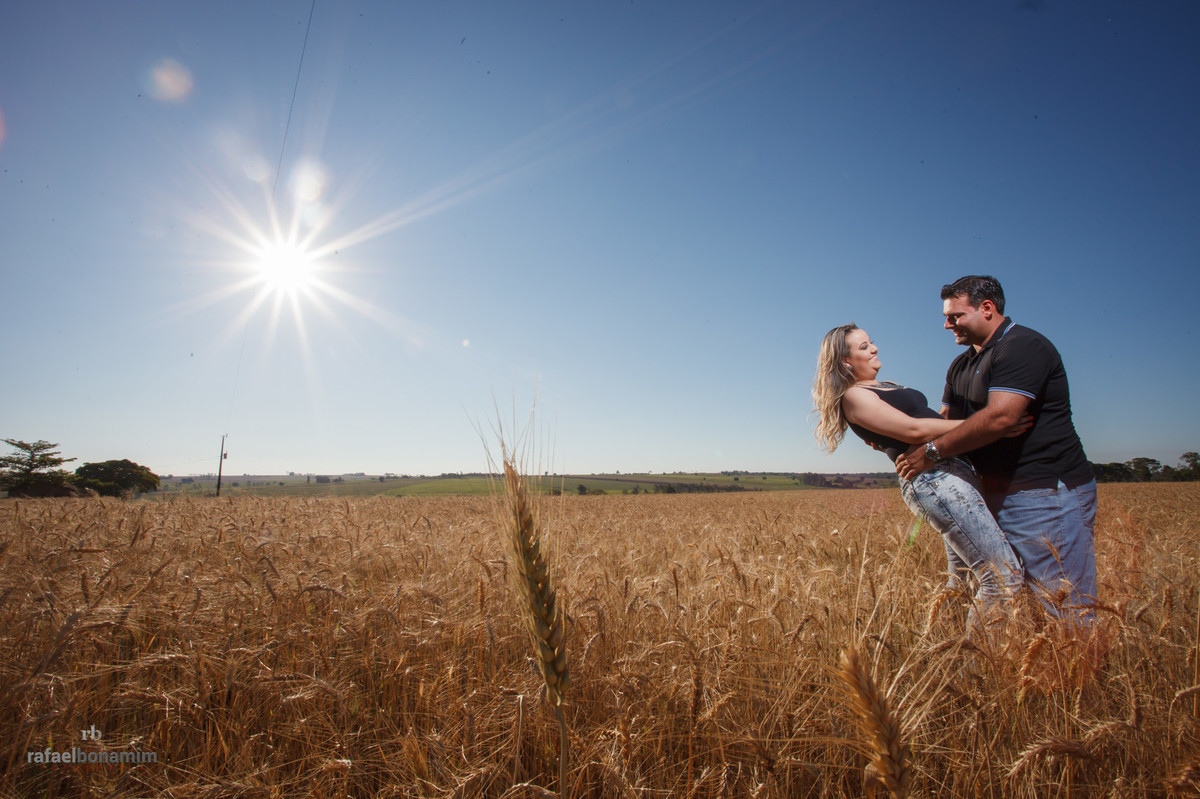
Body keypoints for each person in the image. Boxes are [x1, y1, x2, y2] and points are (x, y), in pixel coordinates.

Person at [895, 275, 1097, 627]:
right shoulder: (960, 365)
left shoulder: (1022, 346)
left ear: (987, 308)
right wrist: (891, 432)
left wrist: (932, 451)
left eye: (955, 316)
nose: (947, 325)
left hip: (1042, 492)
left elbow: (1001, 417)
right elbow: (946, 421)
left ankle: (1084, 666)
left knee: (1066, 607)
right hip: (989, 494)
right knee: (1020, 600)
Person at [814, 323, 1023, 639]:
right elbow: (914, 430)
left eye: (872, 342)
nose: (874, 349)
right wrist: (988, 424)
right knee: (1002, 575)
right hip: (934, 480)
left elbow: (929, 420)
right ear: (845, 361)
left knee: (963, 580)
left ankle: (945, 653)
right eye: (864, 347)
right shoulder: (854, 396)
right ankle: (977, 663)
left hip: (952, 470)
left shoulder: (883, 386)